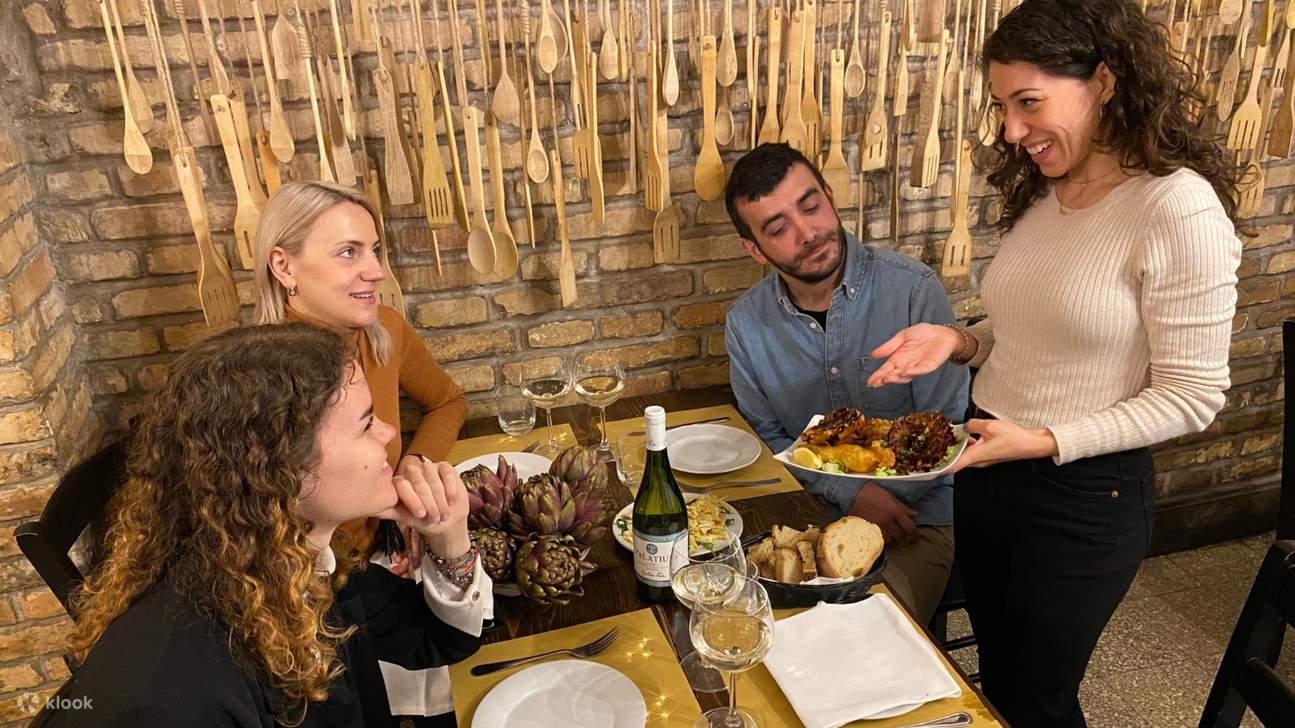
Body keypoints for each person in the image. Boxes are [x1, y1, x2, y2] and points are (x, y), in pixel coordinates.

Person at [866, 1, 1243, 725]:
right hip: (989, 466)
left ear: (1103, 81)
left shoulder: (1176, 208)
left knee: (1036, 699)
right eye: (1003, 106)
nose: (1012, 130)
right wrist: (959, 342)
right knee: (999, 680)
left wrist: (1042, 440)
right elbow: (1040, 330)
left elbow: (1192, 396)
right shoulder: (1050, 191)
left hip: (1082, 498)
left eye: (1029, 102)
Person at [43, 324, 488, 726]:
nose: (389, 433)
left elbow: (437, 639)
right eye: (367, 423)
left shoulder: (294, 558)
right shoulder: (173, 696)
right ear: (280, 471)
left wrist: (448, 536)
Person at [723, 142, 970, 624]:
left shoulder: (913, 290)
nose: (808, 232)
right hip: (802, 511)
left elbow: (945, 432)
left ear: (831, 197)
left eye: (810, 205)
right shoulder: (746, 323)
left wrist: (877, 498)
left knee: (864, 629)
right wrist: (849, 492)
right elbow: (768, 435)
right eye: (778, 228)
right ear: (755, 249)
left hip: (915, 522)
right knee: (742, 620)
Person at [253, 181, 471, 725]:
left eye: (374, 250)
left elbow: (447, 401)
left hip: (394, 548)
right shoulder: (259, 381)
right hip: (326, 591)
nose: (375, 270)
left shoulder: (383, 329)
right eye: (349, 252)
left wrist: (412, 466)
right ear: (283, 265)